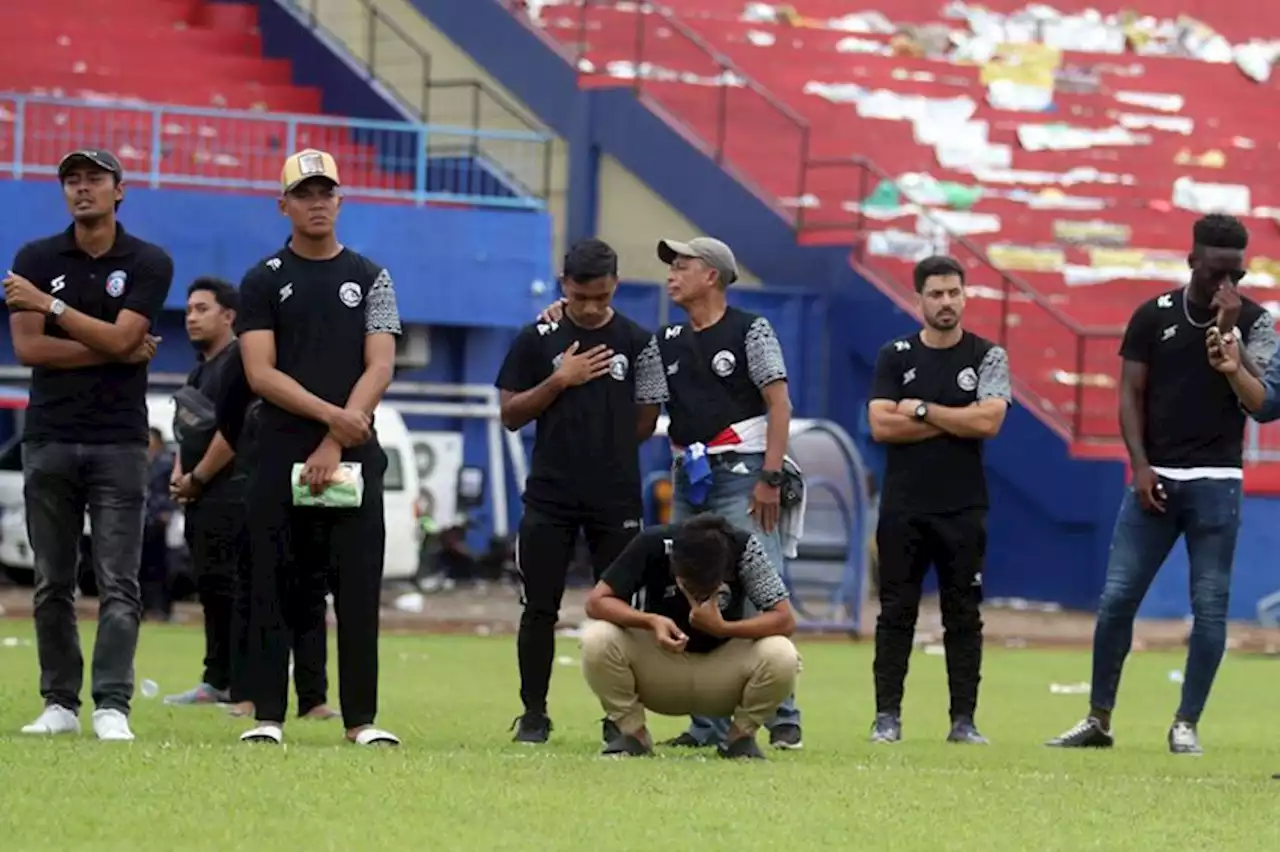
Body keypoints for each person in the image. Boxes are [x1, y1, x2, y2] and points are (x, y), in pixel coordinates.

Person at [539, 235, 804, 750]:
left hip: (744, 469)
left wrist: (770, 477)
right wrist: (561, 316)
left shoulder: (752, 330)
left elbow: (780, 404)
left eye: (682, 265)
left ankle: (783, 714)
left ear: (713, 275)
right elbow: (625, 370)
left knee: (755, 580)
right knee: (693, 583)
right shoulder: (663, 342)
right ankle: (706, 723)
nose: (671, 273)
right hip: (691, 471)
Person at [1049, 214, 1275, 755]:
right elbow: (1129, 394)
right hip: (1156, 478)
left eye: (1235, 275)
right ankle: (1098, 718)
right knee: (1117, 598)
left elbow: (1265, 404)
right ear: (1192, 261)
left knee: (1211, 606)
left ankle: (1185, 724)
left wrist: (1232, 339)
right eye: (1215, 272)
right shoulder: (1153, 316)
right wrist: (1140, 465)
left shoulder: (1257, 323)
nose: (1226, 286)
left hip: (1218, 481)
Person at [5, 148, 173, 741]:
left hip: (119, 441)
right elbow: (30, 350)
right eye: (72, 180)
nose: (82, 189)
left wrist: (52, 307)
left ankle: (111, 704)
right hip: (48, 435)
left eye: (94, 179)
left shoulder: (149, 261)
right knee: (52, 580)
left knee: (118, 580)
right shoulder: (34, 256)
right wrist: (115, 348)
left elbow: (123, 333)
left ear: (118, 190)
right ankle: (59, 703)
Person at [236, 148, 402, 746]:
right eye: (304, 193)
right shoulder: (262, 280)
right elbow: (260, 372)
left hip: (353, 452)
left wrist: (337, 437)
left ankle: (361, 719)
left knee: (357, 589)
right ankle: (266, 719)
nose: (316, 203)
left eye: (326, 192)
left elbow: (380, 364)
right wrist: (332, 418)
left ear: (340, 199)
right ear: (284, 205)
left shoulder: (371, 276)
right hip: (280, 450)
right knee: (273, 584)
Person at [496, 238, 666, 744]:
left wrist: (605, 446)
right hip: (549, 494)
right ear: (563, 285)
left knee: (619, 609)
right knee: (539, 607)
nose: (591, 307)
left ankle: (620, 720)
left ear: (614, 285)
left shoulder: (639, 341)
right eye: (580, 296)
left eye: (602, 296)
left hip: (615, 497)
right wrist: (559, 381)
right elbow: (509, 414)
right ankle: (533, 714)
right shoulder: (537, 338)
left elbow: (646, 417)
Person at [866, 254, 1011, 746]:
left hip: (964, 507)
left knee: (964, 615)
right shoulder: (896, 355)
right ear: (918, 299)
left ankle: (963, 721)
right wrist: (956, 419)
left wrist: (924, 410)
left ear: (965, 295)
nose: (946, 302)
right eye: (936, 294)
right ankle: (887, 716)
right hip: (904, 506)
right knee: (895, 612)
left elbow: (989, 421)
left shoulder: (987, 355)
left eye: (954, 292)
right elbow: (881, 425)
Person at [580, 515, 800, 760]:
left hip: (724, 671)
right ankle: (633, 734)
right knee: (597, 638)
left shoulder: (744, 546)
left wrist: (724, 628)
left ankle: (740, 738)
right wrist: (651, 621)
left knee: (782, 653)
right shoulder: (652, 542)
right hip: (660, 667)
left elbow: (784, 619)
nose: (696, 594)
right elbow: (597, 602)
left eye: (706, 589)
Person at [205, 332, 336, 720]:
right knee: (256, 588)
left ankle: (313, 697)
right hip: (261, 474)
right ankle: (247, 693)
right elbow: (227, 410)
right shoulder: (251, 347)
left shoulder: (320, 349)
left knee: (312, 587)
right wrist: (249, 444)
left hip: (315, 473)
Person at [141, 427, 177, 621]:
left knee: (161, 566)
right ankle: (143, 607)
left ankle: (163, 608)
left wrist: (167, 511)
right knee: (140, 567)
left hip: (158, 519)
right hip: (142, 519)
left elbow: (171, 489)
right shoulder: (139, 462)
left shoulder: (165, 463)